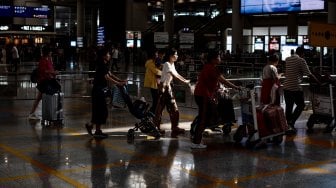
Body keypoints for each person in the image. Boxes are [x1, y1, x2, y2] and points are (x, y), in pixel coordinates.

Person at [192, 50, 241, 149]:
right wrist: (235, 87)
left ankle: (197, 139)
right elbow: (222, 80)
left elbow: (216, 81)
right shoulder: (211, 69)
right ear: (213, 59)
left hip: (201, 94)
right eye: (219, 57)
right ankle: (196, 142)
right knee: (203, 119)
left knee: (204, 117)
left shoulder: (208, 67)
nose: (220, 59)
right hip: (203, 95)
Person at [85, 47, 127, 139]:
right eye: (108, 54)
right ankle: (94, 128)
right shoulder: (101, 65)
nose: (109, 55)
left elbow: (110, 74)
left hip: (100, 90)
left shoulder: (104, 64)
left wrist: (120, 80)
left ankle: (95, 128)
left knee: (100, 111)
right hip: (98, 91)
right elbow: (107, 77)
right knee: (101, 110)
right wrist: (119, 83)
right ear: (104, 56)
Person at [153, 48, 190, 137]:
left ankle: (167, 127)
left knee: (163, 109)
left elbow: (177, 74)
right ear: (170, 56)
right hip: (164, 88)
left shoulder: (171, 64)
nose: (177, 56)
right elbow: (174, 76)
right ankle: (164, 127)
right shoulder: (166, 64)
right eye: (175, 54)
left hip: (167, 88)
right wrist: (185, 82)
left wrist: (185, 80)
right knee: (169, 109)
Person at [283, 46, 320, 134]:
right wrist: (318, 82)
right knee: (301, 105)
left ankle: (288, 126)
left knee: (289, 107)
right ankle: (291, 122)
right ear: (302, 53)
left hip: (286, 86)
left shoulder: (287, 59)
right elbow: (308, 74)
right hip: (295, 87)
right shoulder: (301, 60)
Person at [28, 46, 58, 120]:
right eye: (50, 51)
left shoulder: (49, 60)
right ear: (47, 52)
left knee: (39, 98)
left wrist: (53, 73)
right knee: (50, 94)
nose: (51, 52)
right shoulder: (43, 60)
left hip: (48, 81)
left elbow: (50, 69)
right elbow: (44, 71)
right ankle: (51, 113)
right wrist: (53, 72)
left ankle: (32, 113)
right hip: (44, 82)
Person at [144, 49, 163, 114]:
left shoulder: (154, 62)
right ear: (152, 55)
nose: (157, 55)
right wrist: (164, 72)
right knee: (156, 99)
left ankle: (153, 111)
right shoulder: (150, 62)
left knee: (156, 99)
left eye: (157, 54)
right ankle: (152, 112)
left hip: (155, 83)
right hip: (152, 83)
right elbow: (156, 71)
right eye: (156, 54)